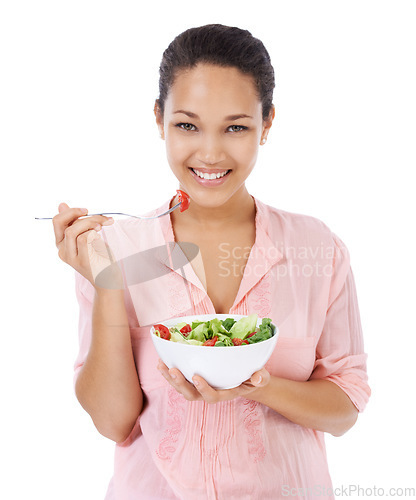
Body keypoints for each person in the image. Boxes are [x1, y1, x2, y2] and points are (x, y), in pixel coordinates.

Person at [53, 24, 371, 500]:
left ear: (266, 126)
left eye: (236, 127)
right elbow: (111, 420)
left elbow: (345, 408)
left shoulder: (318, 249)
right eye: (187, 125)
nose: (210, 152)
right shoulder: (114, 249)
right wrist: (108, 284)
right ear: (158, 119)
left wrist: (256, 385)